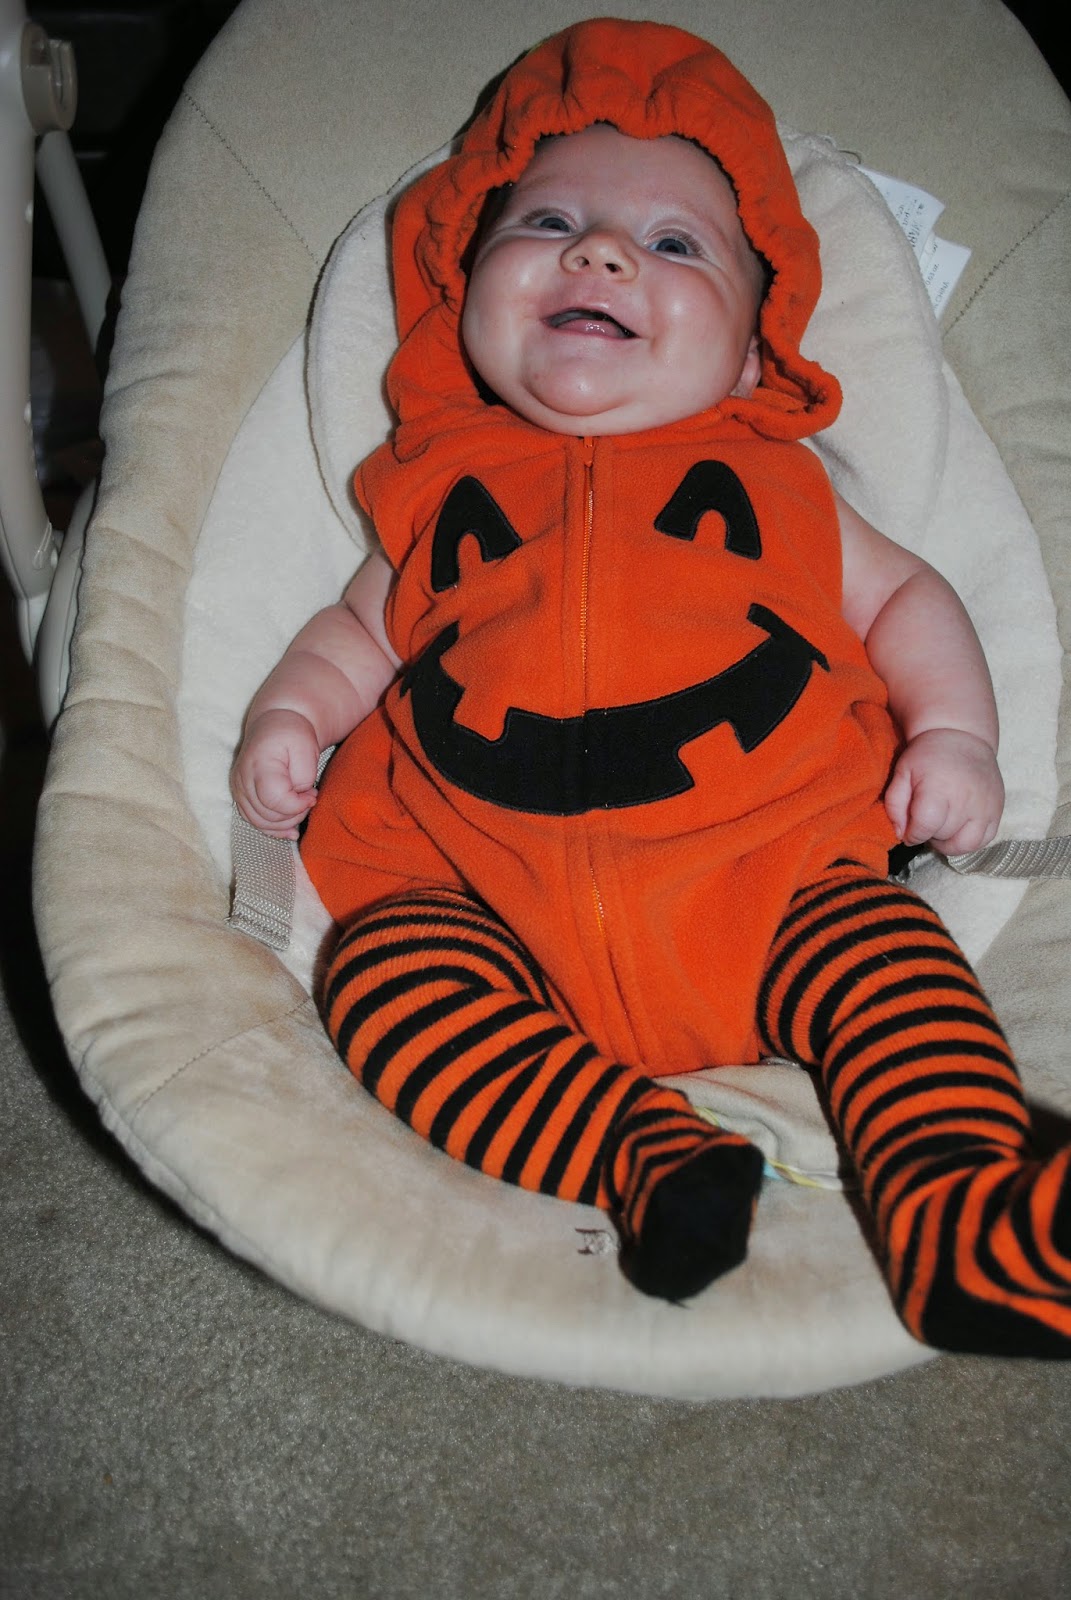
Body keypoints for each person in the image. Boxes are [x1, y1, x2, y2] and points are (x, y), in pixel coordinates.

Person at [231, 18, 1071, 1353]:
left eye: (676, 245)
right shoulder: (444, 490)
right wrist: (292, 716)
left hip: (773, 888)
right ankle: (639, 1153)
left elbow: (912, 598)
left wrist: (956, 734)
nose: (603, 252)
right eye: (548, 222)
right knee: (379, 978)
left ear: (749, 354)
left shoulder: (779, 484)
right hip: (480, 904)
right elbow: (356, 633)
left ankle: (963, 1211)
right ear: (461, 296)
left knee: (889, 960)